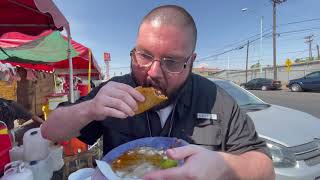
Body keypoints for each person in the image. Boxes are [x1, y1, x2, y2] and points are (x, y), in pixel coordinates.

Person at [42, 5, 275, 180]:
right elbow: (49, 130)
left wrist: (224, 166)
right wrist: (89, 109)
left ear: (191, 62)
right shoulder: (112, 91)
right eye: (144, 55)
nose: (153, 72)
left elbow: (266, 168)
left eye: (171, 61)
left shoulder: (215, 99)